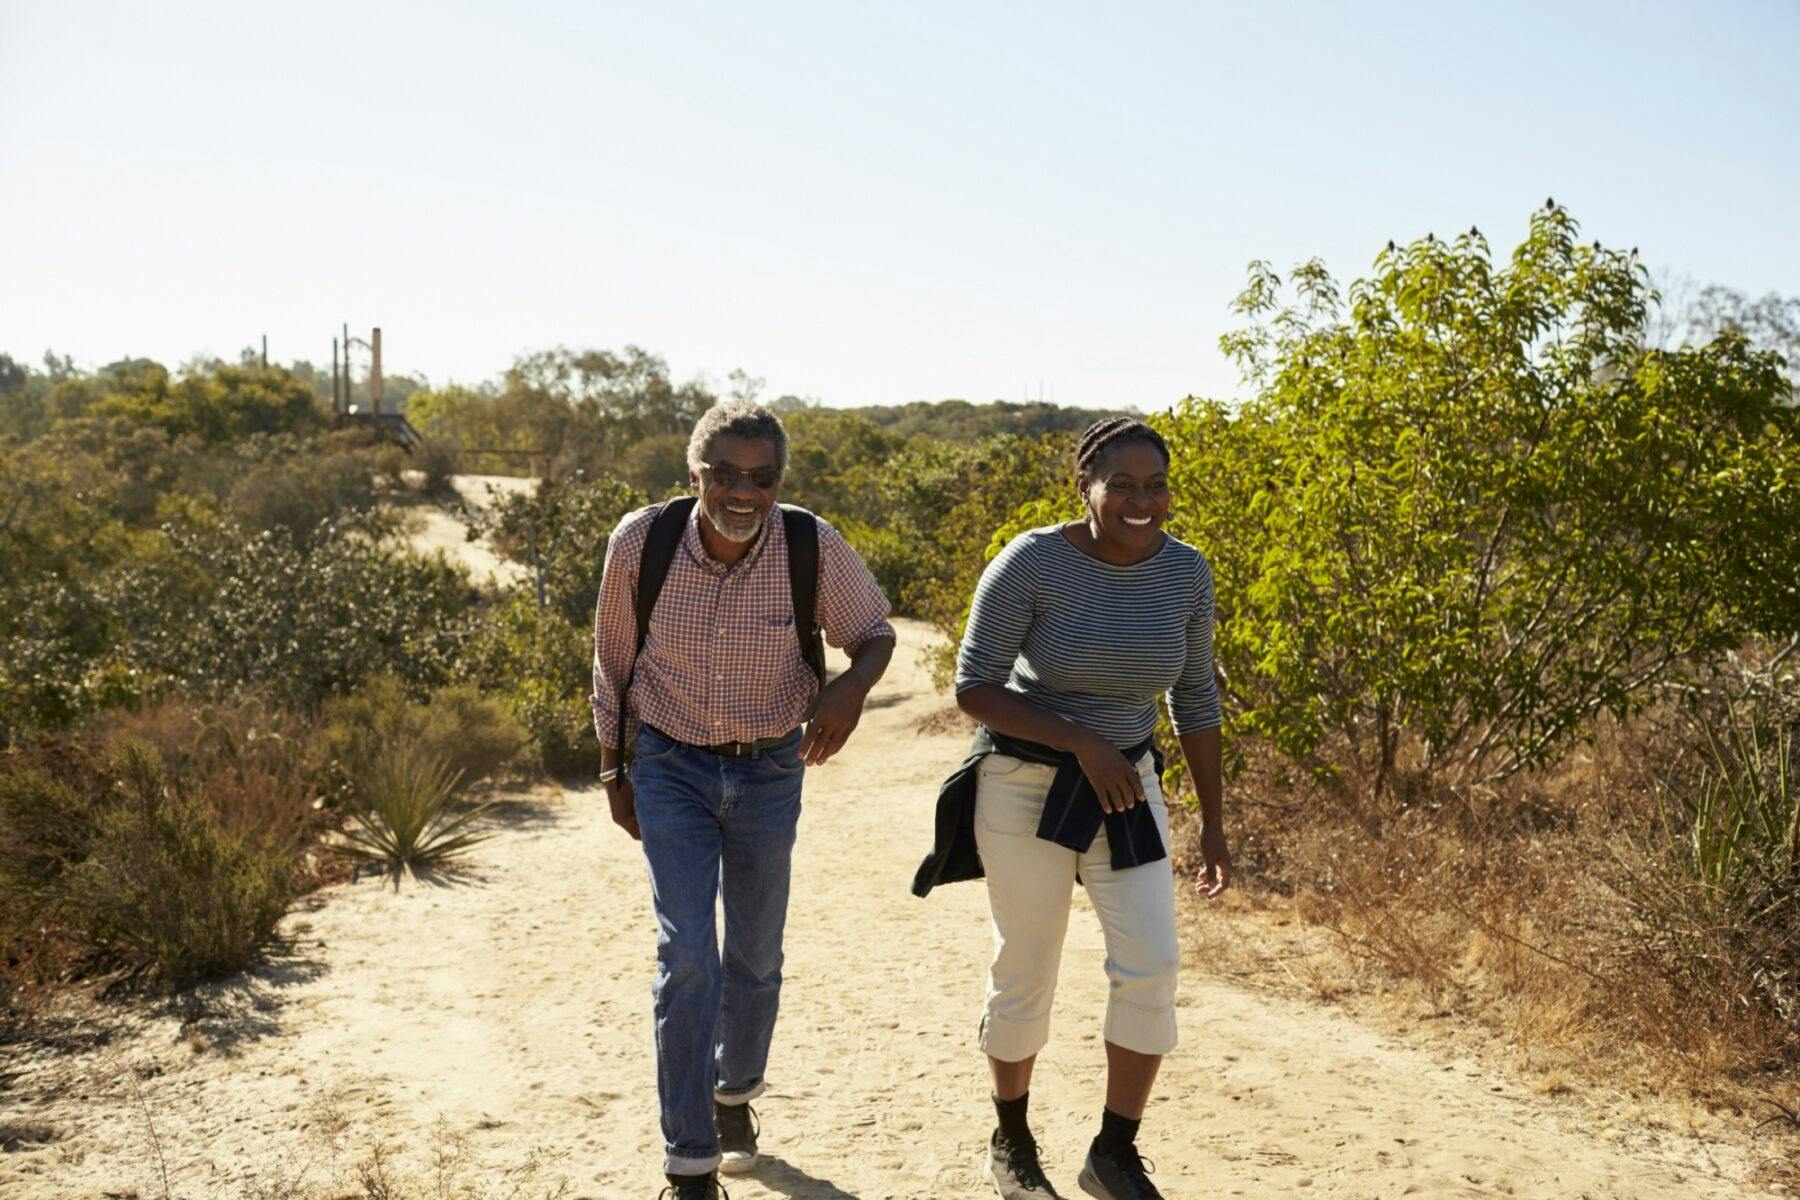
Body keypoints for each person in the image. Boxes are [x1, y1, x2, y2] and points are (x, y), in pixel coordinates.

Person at [589, 402, 896, 1200]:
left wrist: (848, 692)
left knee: (755, 959)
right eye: (724, 473)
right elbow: (613, 664)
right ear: (695, 475)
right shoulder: (642, 543)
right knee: (688, 952)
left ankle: (734, 1095)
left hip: (768, 770)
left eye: (760, 477)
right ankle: (689, 1164)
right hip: (669, 764)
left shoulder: (810, 544)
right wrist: (612, 771)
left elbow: (875, 633)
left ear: (777, 482)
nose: (742, 491)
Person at [940, 417, 1230, 1200]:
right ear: (1086, 487)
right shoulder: (1033, 562)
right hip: (1026, 784)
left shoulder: (1186, 573)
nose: (1143, 501)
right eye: (1123, 485)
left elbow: (1195, 695)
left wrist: (1214, 820)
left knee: (1154, 964)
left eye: (1156, 485)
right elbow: (975, 687)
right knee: (1026, 967)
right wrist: (1078, 739)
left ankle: (1114, 1152)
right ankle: (1013, 1142)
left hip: (1129, 790)